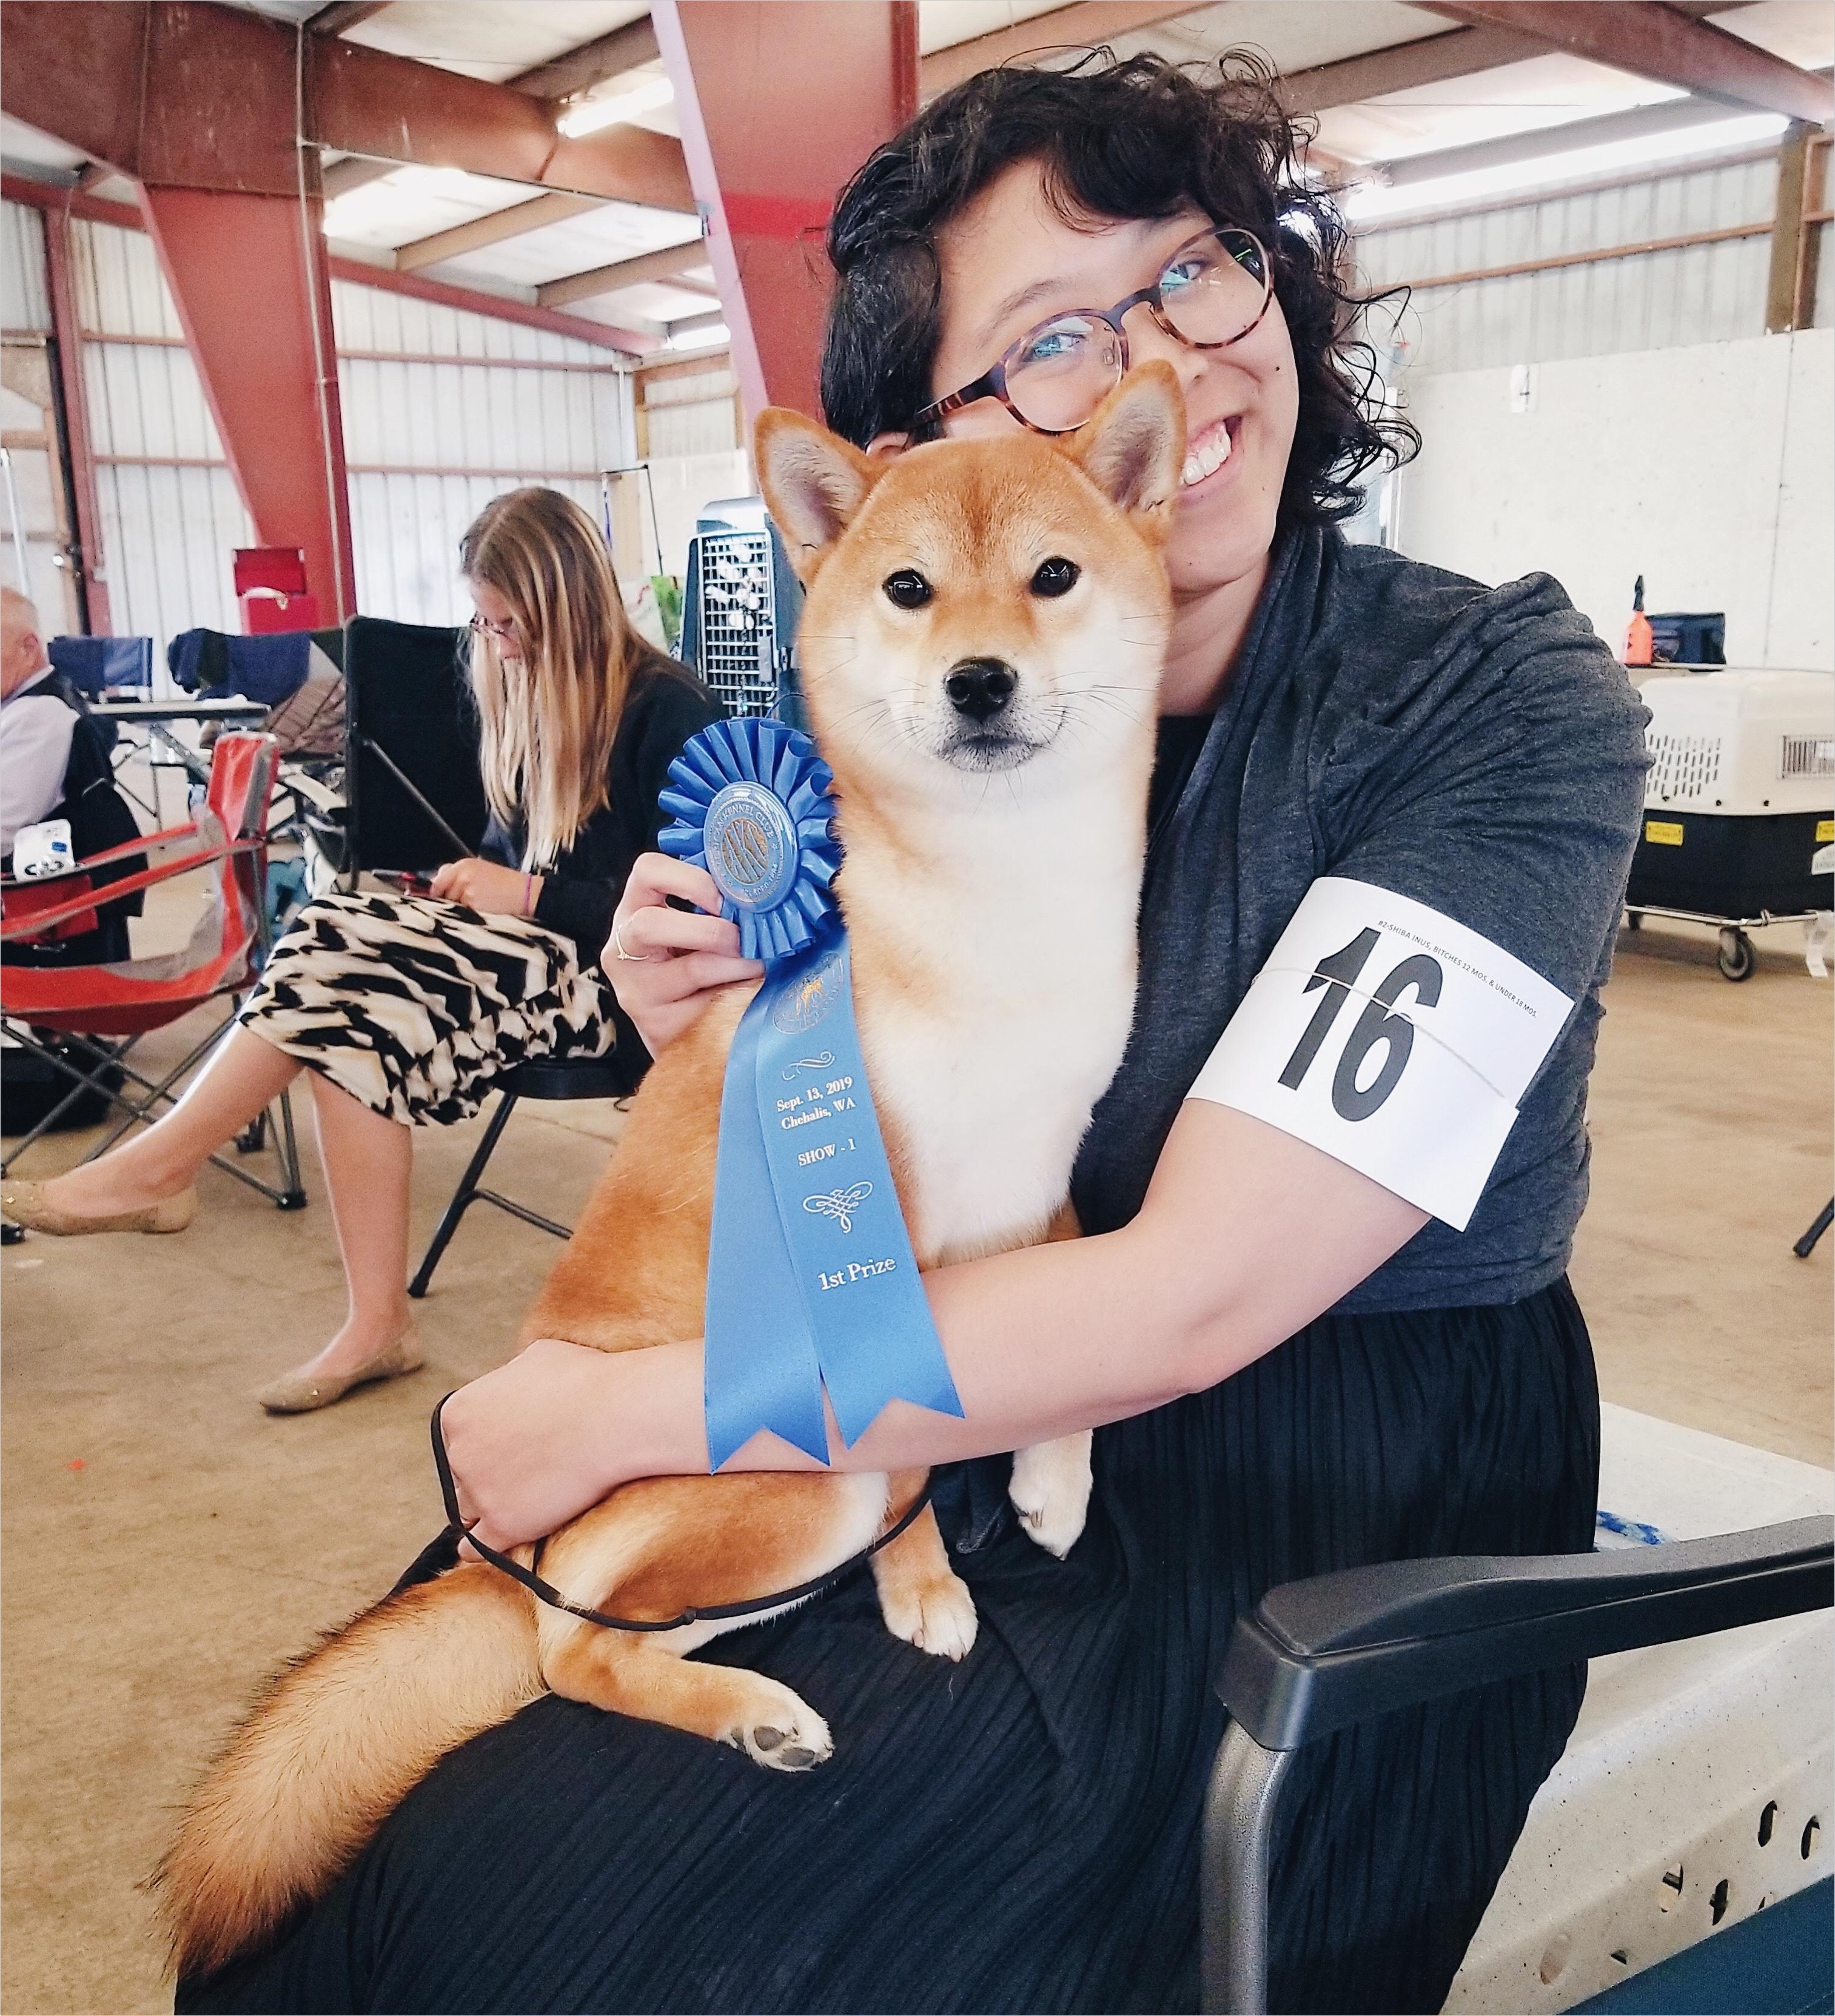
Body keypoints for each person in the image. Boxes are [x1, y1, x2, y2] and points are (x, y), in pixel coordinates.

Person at [177, 56, 1649, 2015]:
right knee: (371, 1889)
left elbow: (1204, 1294)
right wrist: (682, 1013)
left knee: (594, 1933)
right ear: (910, 453)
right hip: (904, 1371)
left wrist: (628, 1407)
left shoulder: (1485, 697)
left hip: (1314, 1464)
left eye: (1202, 269)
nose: (1169, 362)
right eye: (1052, 335)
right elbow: (819, 1128)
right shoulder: (892, 727)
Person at [2, 489, 720, 1413]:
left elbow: (695, 913)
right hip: (531, 962)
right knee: (341, 968)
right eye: (485, 621)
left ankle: (160, 1170)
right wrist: (467, 886)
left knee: (333, 947)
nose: (497, 644)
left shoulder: (669, 712)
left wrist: (529, 894)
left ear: (569, 604)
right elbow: (517, 868)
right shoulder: (534, 695)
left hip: (627, 995)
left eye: (512, 624)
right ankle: (370, 1321)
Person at [0, 586, 144, 963]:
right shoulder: (34, 703)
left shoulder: (38, 715)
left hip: (37, 920)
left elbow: (2, 833)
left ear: (28, 648)